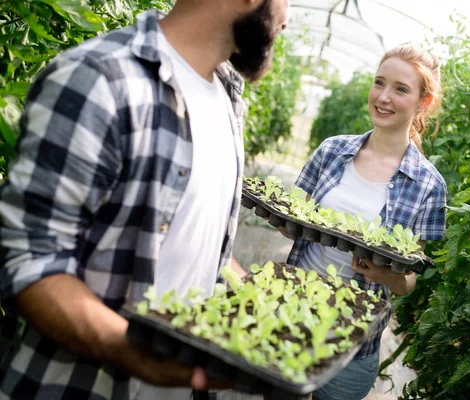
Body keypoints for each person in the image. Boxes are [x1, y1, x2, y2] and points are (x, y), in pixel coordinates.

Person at [0, 0, 289, 399]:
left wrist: (263, 299)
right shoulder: (99, 80)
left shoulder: (227, 97)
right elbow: (28, 261)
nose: (287, 18)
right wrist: (137, 354)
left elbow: (200, 246)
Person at [286, 46, 447, 400]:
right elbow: (291, 216)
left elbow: (408, 279)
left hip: (352, 340)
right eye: (379, 83)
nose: (383, 97)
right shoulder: (332, 151)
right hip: (291, 315)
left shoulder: (428, 185)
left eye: (401, 89)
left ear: (424, 101)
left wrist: (384, 275)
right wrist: (290, 221)